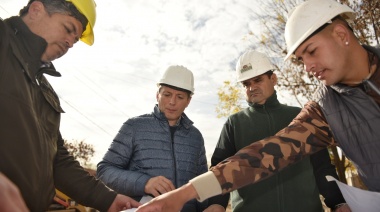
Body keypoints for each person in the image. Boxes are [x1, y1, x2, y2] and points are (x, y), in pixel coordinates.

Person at [136, 0, 379, 211]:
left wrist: (336, 201)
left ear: (341, 34)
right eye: (301, 59)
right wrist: (186, 194)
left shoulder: (303, 110)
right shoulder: (323, 109)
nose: (307, 68)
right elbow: (263, 156)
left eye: (312, 51)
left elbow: (322, 167)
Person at [0, 0, 140, 211]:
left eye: (75, 39)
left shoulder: (46, 92)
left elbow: (59, 162)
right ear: (37, 10)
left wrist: (108, 199)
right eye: (68, 29)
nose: (70, 43)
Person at [205, 50, 346, 212]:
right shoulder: (234, 124)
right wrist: (216, 204)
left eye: (257, 80)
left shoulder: (301, 116)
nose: (252, 88)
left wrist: (338, 201)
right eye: (246, 84)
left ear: (273, 79)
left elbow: (322, 167)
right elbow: (219, 170)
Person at [97, 65, 208, 212]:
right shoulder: (134, 127)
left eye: (180, 97)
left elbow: (202, 184)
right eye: (167, 94)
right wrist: (144, 183)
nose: (172, 102)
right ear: (158, 95)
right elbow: (105, 170)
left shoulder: (196, 137)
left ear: (188, 101)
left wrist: (209, 206)